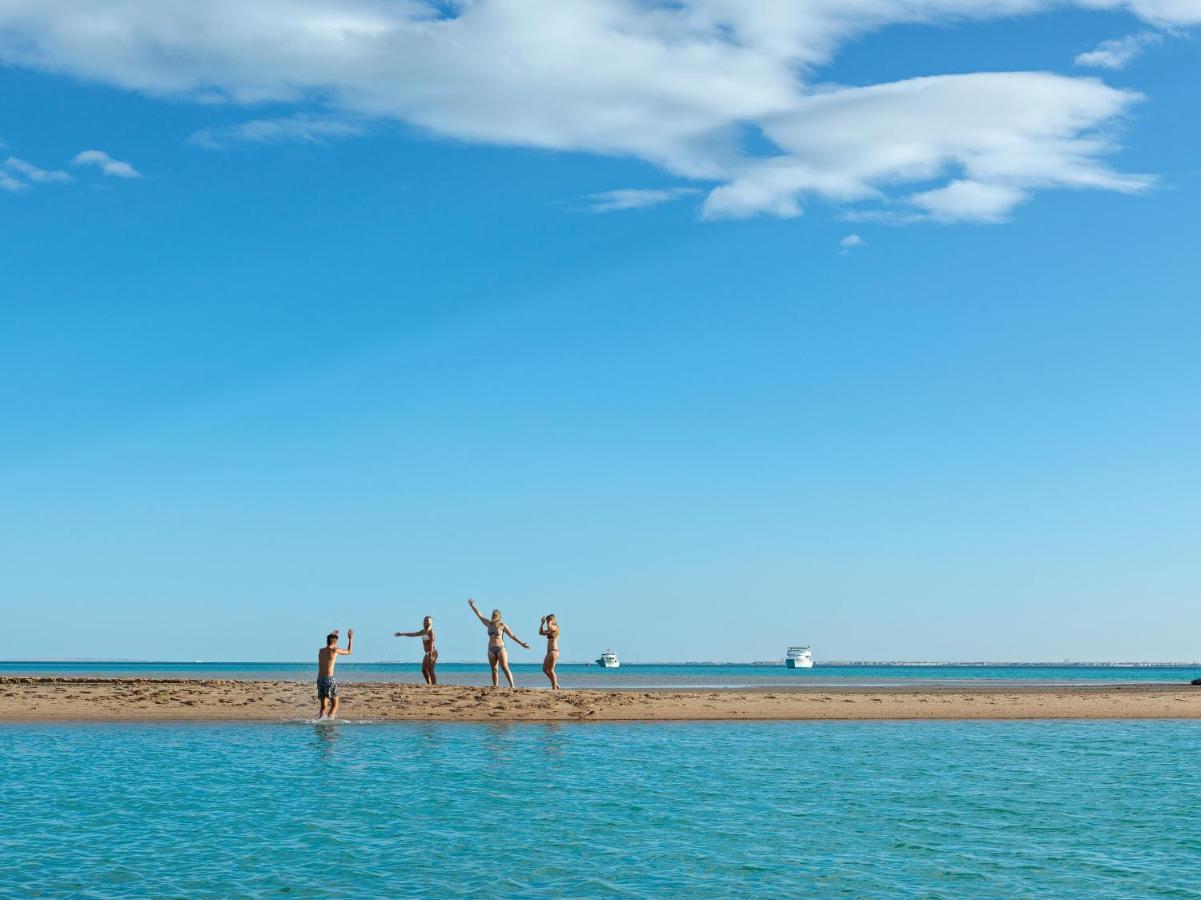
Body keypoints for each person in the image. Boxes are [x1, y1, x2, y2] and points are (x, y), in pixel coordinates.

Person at [467, 597, 529, 687]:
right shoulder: (488, 624)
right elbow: (479, 615)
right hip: (491, 649)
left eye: (496, 614)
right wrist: (472, 605)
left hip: (500, 648)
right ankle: (495, 686)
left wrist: (521, 643)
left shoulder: (502, 625)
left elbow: (512, 635)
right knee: (494, 669)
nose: (494, 615)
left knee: (505, 667)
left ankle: (512, 686)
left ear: (499, 616)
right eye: (493, 614)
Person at [317, 628, 353, 719]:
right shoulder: (334, 650)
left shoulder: (321, 651)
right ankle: (329, 723)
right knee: (335, 704)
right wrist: (350, 639)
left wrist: (333, 636)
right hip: (329, 679)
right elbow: (349, 651)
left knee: (323, 707)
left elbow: (331, 641)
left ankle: (320, 721)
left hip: (320, 679)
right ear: (335, 642)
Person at [395, 616, 438, 685]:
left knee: (430, 670)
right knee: (424, 670)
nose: (426, 621)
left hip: (432, 652)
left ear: (430, 622)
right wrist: (402, 634)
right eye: (425, 620)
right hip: (427, 653)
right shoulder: (423, 631)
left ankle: (434, 685)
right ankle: (429, 684)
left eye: (427, 620)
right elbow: (413, 634)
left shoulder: (431, 631)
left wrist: (430, 654)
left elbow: (431, 643)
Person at [539, 614, 561, 689]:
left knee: (551, 670)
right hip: (549, 652)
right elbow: (540, 633)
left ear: (553, 620)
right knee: (544, 669)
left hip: (554, 651)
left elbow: (550, 626)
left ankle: (554, 686)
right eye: (547, 620)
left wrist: (550, 622)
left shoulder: (556, 627)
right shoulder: (549, 630)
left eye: (549, 620)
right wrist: (542, 624)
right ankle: (555, 683)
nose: (547, 622)